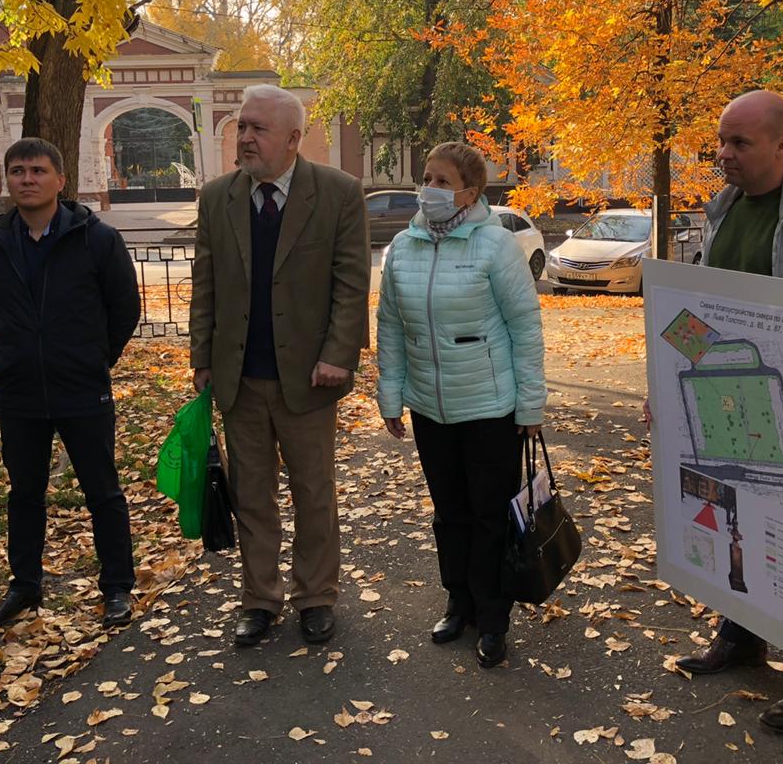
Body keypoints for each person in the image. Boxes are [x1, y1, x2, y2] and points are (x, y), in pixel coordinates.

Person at [644, 90, 783, 731]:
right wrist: (666, 385)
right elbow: (703, 315)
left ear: (782, 145)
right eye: (720, 141)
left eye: (739, 143)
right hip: (730, 403)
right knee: (734, 514)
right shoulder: (724, 210)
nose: (723, 155)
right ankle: (742, 637)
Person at [189, 85, 369, 648]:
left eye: (257, 129)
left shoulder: (338, 193)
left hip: (309, 379)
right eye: (242, 126)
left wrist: (339, 355)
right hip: (238, 376)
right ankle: (259, 600)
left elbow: (350, 283)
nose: (244, 137)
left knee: (314, 492)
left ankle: (316, 596)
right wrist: (201, 359)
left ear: (293, 139)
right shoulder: (218, 197)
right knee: (251, 495)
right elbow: (206, 284)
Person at [375, 142, 546, 669]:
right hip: (430, 407)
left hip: (490, 407)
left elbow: (525, 328)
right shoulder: (403, 247)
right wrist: (390, 395)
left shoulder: (496, 246)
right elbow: (390, 328)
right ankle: (459, 602)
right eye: (427, 177)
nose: (430, 188)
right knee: (449, 513)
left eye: (442, 181)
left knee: (490, 516)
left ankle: (494, 618)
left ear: (470, 192)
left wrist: (530, 405)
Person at [0, 138, 141, 629]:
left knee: (102, 491)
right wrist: (23, 350)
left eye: (38, 170)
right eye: (18, 170)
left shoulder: (96, 238)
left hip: (82, 387)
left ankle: (116, 587)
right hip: (20, 391)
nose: (27, 178)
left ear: (60, 180)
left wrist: (93, 358)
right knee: (25, 492)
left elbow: (124, 309)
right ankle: (24, 585)